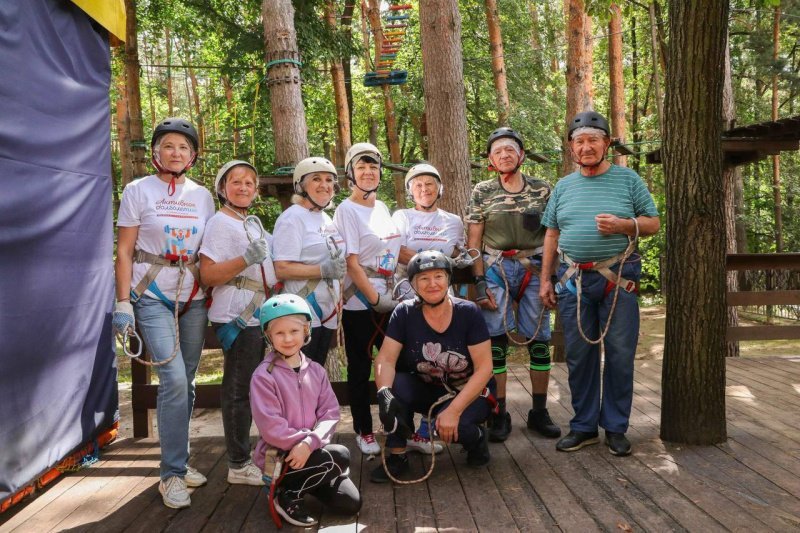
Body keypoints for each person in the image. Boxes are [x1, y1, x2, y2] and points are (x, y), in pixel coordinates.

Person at [539, 111, 660, 457]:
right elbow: (551, 233)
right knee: (579, 356)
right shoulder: (563, 187)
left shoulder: (628, 180)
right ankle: (584, 427)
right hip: (571, 280)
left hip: (617, 280)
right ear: (572, 148)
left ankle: (616, 428)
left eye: (594, 140)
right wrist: (545, 279)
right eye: (580, 141)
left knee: (620, 355)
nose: (587, 146)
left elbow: (652, 223)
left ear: (607, 144)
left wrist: (624, 226)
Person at [112, 117, 215, 509]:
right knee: (172, 378)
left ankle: (179, 462)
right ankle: (170, 473)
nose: (176, 152)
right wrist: (123, 302)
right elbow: (124, 250)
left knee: (186, 381)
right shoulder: (138, 190)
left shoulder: (203, 196)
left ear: (193, 155)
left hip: (192, 295)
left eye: (184, 147)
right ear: (156, 151)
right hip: (150, 293)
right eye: (169, 145)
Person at [465, 127, 561, 443]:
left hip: (534, 268)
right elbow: (474, 240)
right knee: (495, 342)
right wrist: (478, 282)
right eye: (498, 152)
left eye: (510, 150)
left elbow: (553, 235)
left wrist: (550, 276)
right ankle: (499, 413)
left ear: (520, 155)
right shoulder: (482, 191)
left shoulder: (542, 190)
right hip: (495, 268)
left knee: (539, 339)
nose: (504, 155)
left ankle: (538, 412)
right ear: (491, 159)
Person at [370, 250, 495, 483]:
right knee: (394, 386)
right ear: (413, 284)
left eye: (438, 276)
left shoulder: (468, 312)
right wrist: (384, 393)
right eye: (424, 278)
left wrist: (454, 410)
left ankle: (477, 437)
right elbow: (385, 359)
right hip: (427, 387)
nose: (432, 284)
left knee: (448, 426)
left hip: (468, 390)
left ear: (448, 279)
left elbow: (485, 368)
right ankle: (397, 456)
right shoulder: (404, 312)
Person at [199, 160, 278, 487]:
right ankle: (238, 462)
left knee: (252, 386)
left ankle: (250, 453)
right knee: (239, 388)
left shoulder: (253, 224)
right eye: (236, 182)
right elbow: (208, 274)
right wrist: (245, 259)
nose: (243, 187)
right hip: (238, 314)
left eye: (249, 182)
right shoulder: (220, 223)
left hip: (259, 314)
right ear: (223, 188)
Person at [251, 294, 361, 527]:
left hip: (311, 452)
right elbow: (271, 427)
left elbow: (330, 413)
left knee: (351, 503)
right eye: (279, 333)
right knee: (340, 454)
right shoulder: (264, 376)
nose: (288, 338)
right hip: (282, 458)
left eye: (294, 331)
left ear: (306, 331)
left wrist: (309, 443)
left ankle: (307, 483)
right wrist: (301, 444)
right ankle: (285, 494)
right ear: (268, 336)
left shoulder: (317, 371)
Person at [392, 163, 469, 454]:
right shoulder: (401, 216)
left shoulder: (453, 221)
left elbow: (460, 254)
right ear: (410, 190)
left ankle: (428, 428)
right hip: (408, 300)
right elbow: (397, 250)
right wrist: (435, 261)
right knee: (406, 362)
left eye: (430, 184)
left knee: (438, 364)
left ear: (440, 189)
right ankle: (404, 431)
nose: (424, 190)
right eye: (418, 185)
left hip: (442, 299)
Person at [332, 142, 402, 456]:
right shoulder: (346, 210)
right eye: (362, 167)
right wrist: (374, 299)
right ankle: (364, 430)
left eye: (373, 167)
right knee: (360, 367)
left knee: (395, 364)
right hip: (361, 302)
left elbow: (392, 252)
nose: (368, 172)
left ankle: (397, 426)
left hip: (388, 295)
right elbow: (351, 261)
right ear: (351, 173)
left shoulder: (383, 208)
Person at [273, 157, 346, 366]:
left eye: (329, 180)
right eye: (316, 179)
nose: (324, 185)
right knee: (299, 372)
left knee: (315, 371)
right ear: (301, 186)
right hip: (304, 305)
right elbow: (282, 268)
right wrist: (322, 270)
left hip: (328, 307)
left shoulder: (326, 219)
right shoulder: (292, 218)